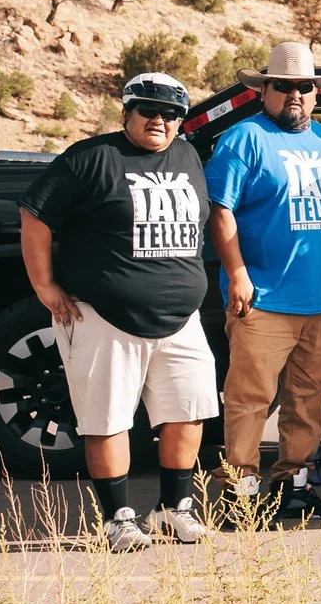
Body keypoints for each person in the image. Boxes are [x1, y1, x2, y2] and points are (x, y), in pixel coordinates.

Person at [19, 72, 216, 551]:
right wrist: (44, 285)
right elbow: (34, 214)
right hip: (103, 316)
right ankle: (119, 519)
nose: (160, 120)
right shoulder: (90, 158)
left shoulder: (187, 155)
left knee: (188, 412)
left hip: (181, 318)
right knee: (107, 420)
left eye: (171, 113)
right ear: (125, 112)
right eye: (148, 109)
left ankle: (174, 509)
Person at [205, 40, 321, 517]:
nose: (294, 94)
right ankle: (239, 493)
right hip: (262, 297)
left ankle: (295, 485)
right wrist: (238, 275)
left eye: (304, 86)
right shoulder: (244, 138)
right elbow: (220, 210)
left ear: (315, 92)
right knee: (250, 398)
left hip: (320, 297)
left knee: (307, 398)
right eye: (283, 85)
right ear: (263, 90)